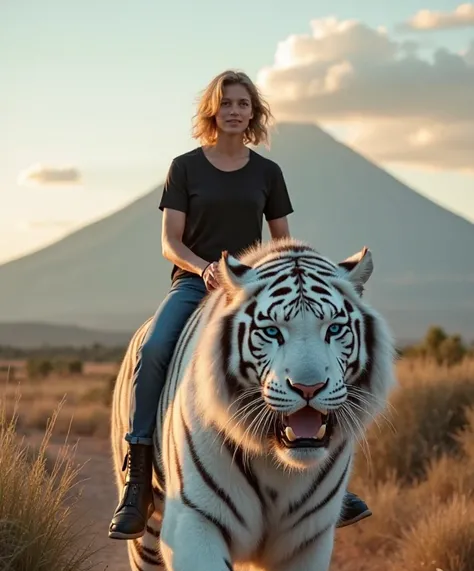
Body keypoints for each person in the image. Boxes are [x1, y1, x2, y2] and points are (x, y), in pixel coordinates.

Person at [108, 69, 371, 540]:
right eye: (226, 103)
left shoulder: (267, 173)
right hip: (196, 285)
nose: (234, 110)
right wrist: (204, 268)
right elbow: (170, 242)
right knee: (153, 350)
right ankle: (139, 476)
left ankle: (327, 480)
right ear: (214, 110)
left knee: (315, 364)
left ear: (254, 113)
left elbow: (283, 243)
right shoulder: (184, 167)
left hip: (254, 297)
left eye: (243, 104)